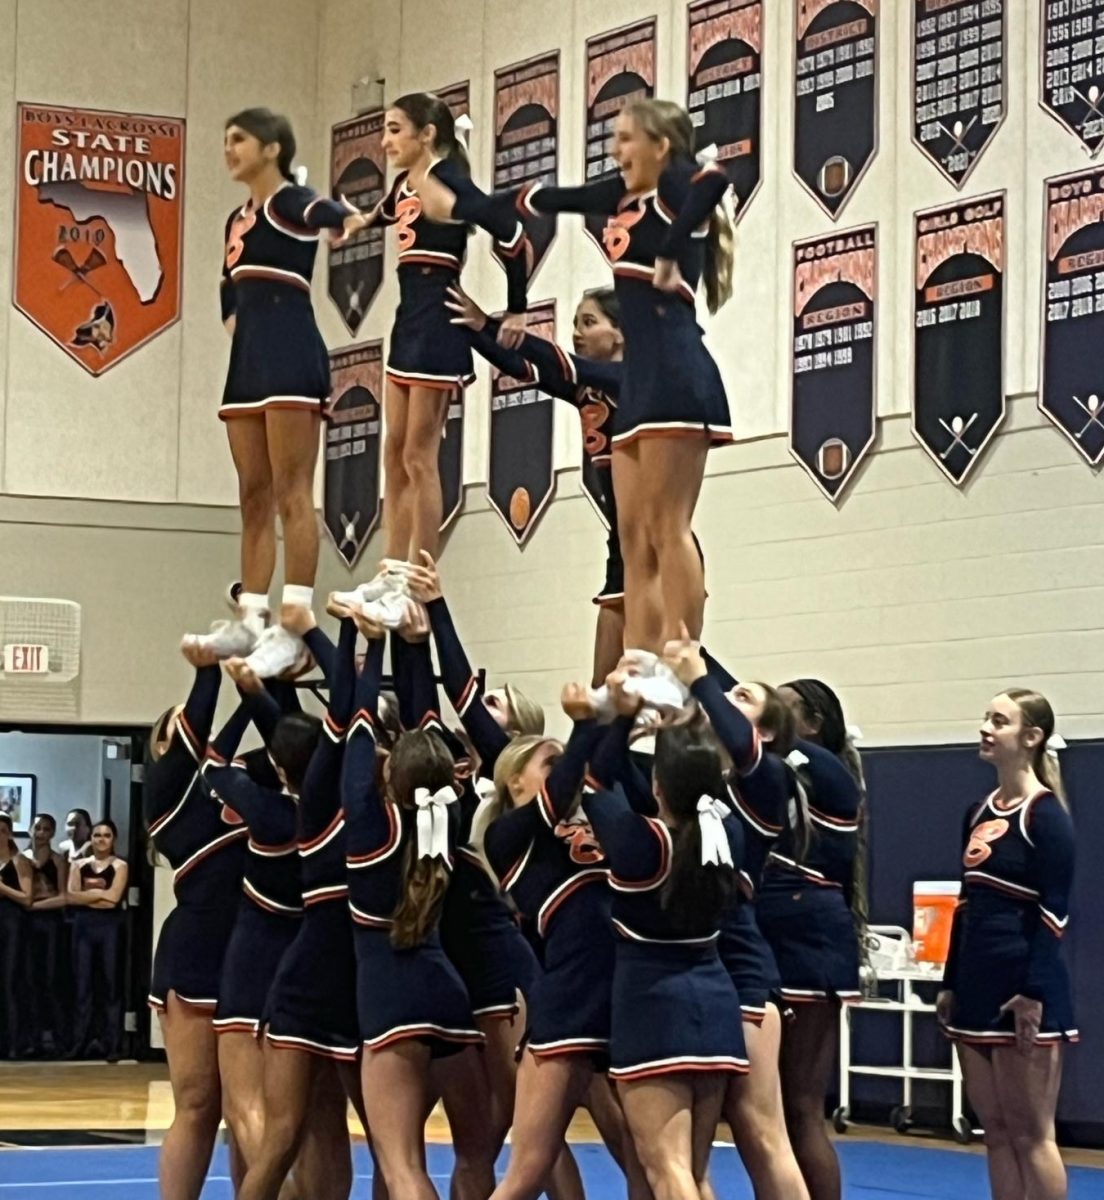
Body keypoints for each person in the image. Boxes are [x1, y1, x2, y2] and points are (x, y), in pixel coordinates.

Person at [488, 99, 734, 666]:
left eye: (626, 139)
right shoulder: (621, 198)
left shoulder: (676, 190)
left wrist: (672, 248)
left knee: (670, 527)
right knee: (634, 538)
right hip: (640, 391)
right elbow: (558, 198)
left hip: (678, 376)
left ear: (659, 147)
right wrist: (480, 203)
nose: (615, 150)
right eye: (614, 138)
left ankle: (682, 653)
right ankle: (643, 660)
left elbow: (715, 178)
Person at [183, 107, 372, 678]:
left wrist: (346, 217)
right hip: (250, 362)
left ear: (271, 148)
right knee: (252, 494)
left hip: (292, 352)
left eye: (238, 139)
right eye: (226, 139)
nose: (229, 149)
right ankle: (251, 616)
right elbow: (226, 283)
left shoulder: (289, 200)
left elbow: (325, 212)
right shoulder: (233, 220)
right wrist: (234, 326)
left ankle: (295, 621)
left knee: (293, 489)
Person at [332, 94, 529, 626]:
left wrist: (515, 311)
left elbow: (512, 234)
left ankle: (419, 578)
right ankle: (391, 569)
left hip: (440, 324)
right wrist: (349, 223)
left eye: (395, 130)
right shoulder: (402, 186)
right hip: (407, 324)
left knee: (421, 457)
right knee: (393, 454)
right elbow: (380, 216)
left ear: (426, 135)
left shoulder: (450, 184)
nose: (386, 140)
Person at [342, 620, 497, 1200]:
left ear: (389, 775)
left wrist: (372, 639)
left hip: (388, 999)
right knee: (476, 1152)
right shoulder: (451, 821)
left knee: (402, 1166)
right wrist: (414, 642)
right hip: (449, 991)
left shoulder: (369, 826)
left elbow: (356, 730)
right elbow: (427, 725)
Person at [577, 675, 747, 1200]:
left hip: (653, 1006)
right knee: (694, 1173)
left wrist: (625, 717)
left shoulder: (640, 841)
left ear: (657, 787)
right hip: (716, 1002)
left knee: (665, 1169)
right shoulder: (727, 833)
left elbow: (595, 780)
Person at [663, 636, 810, 1200]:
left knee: (760, 1131)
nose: (727, 697)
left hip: (742, 966)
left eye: (742, 695)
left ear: (766, 731)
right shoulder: (699, 783)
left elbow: (735, 733)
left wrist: (701, 675)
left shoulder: (767, 779)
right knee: (690, 1149)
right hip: (694, 966)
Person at [479, 716, 647, 1200]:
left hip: (626, 988)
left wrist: (626, 713)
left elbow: (600, 773)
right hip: (573, 994)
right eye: (548, 763)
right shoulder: (508, 836)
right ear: (514, 782)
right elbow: (571, 778)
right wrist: (588, 719)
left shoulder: (596, 819)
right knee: (529, 1169)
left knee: (645, 1158)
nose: (563, 772)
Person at [236, 607, 366, 1200]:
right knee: (285, 1131)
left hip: (353, 974)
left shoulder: (344, 793)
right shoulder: (319, 800)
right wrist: (327, 629)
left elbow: (315, 727)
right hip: (318, 971)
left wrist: (260, 686)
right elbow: (344, 709)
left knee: (335, 1127)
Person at [446, 286, 626, 684]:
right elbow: (521, 368)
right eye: (576, 322)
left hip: (657, 548)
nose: (577, 332)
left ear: (621, 334)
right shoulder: (586, 390)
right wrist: (469, 328)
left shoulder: (634, 379)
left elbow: (560, 363)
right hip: (622, 547)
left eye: (589, 322)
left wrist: (491, 323)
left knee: (671, 679)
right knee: (602, 695)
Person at [938, 689, 1076, 1200]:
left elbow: (1055, 911)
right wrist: (951, 981)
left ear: (1032, 737)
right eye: (986, 718)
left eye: (999, 720)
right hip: (975, 988)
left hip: (1024, 989)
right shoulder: (977, 812)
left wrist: (1034, 992)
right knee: (994, 1131)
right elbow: (965, 903)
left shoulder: (1047, 817)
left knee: (1032, 1133)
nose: (986, 728)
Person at [146, 646, 250, 1200]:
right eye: (176, 730)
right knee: (197, 1104)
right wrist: (209, 668)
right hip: (194, 953)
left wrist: (259, 664)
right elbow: (202, 725)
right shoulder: (165, 795)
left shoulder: (227, 780)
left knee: (245, 1108)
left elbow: (249, 720)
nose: (187, 733)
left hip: (247, 955)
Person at [752, 683, 862, 1200]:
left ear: (812, 722)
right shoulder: (785, 773)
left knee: (800, 1108)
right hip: (790, 936)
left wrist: (693, 655)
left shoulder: (828, 771)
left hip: (809, 941)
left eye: (783, 706)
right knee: (776, 1110)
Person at [203, 677, 309, 1177]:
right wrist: (277, 684)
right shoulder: (337, 806)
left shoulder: (269, 812)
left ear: (281, 766)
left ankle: (276, 1194)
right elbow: (295, 741)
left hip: (254, 958)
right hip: (304, 951)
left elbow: (211, 765)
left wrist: (246, 691)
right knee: (310, 1117)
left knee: (244, 1104)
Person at [67, 820, 128, 1061]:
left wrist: (88, 895)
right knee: (82, 986)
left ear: (113, 839)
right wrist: (99, 896)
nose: (101, 839)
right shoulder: (78, 864)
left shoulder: (120, 865)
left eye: (106, 835)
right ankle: (79, 1043)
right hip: (83, 927)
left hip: (110, 927)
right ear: (90, 838)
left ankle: (112, 1044)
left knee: (111, 985)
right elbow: (70, 897)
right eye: (96, 835)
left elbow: (113, 899)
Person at [24, 814, 69, 1057]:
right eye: (37, 828)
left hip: (50, 921)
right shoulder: (19, 857)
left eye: (46, 829)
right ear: (30, 830)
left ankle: (58, 1039)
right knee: (28, 980)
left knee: (51, 979)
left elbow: (63, 896)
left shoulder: (58, 860)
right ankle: (30, 1039)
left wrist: (34, 906)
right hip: (25, 923)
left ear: (52, 833)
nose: (40, 833)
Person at [0, 814, 32, 1058]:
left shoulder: (19, 860)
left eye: (2, 831)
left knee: (9, 982)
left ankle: (13, 1043)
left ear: (9, 833)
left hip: (11, 922)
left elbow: (27, 897)